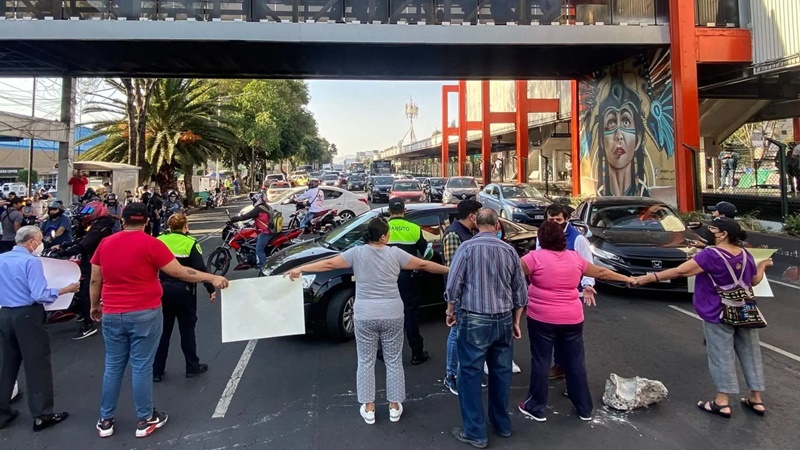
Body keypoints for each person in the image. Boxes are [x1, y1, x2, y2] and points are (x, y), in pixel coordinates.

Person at [285, 217, 448, 425]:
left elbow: (328, 264)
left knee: (365, 361)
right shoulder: (396, 254)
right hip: (392, 313)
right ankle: (394, 406)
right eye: (388, 233)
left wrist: (300, 269)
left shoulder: (356, 253)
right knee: (393, 360)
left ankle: (369, 408)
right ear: (383, 237)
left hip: (364, 314)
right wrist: (450, 270)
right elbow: (424, 264)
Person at [90, 202, 228, 439]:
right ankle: (145, 418)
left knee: (113, 366)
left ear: (122, 221)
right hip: (145, 312)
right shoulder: (152, 244)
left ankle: (105, 420)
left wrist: (94, 305)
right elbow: (180, 272)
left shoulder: (105, 243)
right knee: (141, 366)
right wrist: (212, 278)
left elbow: (95, 279)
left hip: (112, 312)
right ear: (146, 222)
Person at [634, 217, 772, 418]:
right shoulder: (745, 254)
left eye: (712, 229)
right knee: (751, 353)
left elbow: (681, 271)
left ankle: (722, 402)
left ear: (723, 234)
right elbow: (754, 280)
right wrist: (763, 266)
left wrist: (647, 278)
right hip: (746, 311)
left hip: (718, 311)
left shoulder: (710, 255)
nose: (708, 232)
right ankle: (756, 398)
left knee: (721, 355)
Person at [518, 221, 635, 423]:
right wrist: (628, 279)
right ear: (562, 238)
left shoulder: (533, 258)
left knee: (541, 361)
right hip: (572, 318)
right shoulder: (575, 258)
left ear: (541, 238)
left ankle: (535, 407)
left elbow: (510, 272)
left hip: (542, 318)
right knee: (575, 362)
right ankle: (584, 408)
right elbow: (601, 272)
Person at [445, 209, 527, 448]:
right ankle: (502, 424)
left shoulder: (467, 248)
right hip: (503, 318)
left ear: (476, 224)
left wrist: (450, 311)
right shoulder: (509, 251)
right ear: (497, 225)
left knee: (469, 374)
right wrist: (516, 321)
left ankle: (475, 431)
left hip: (474, 319)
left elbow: (453, 285)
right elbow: (520, 292)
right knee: (501, 373)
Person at [0, 226, 79, 432]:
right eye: (39, 240)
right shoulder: (31, 262)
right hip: (28, 315)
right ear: (31, 242)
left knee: (6, 364)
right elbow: (39, 294)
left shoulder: (1, 259)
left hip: (5, 313)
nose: (40, 244)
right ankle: (42, 414)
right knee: (37, 364)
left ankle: (2, 412)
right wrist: (66, 289)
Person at [154, 213, 215, 382]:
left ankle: (157, 371)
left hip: (162, 290)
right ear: (185, 227)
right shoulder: (191, 243)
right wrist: (210, 288)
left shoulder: (159, 240)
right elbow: (200, 269)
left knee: (163, 331)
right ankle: (192, 366)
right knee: (187, 330)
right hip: (185, 291)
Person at [537, 203, 595, 380]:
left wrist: (588, 285)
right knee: (554, 334)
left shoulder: (578, 239)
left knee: (570, 339)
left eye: (558, 220)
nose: (554, 223)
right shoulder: (542, 235)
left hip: (571, 295)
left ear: (567, 219)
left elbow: (588, 265)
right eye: (551, 219)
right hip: (548, 295)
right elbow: (538, 260)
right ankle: (560, 365)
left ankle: (573, 375)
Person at [53, 200, 115, 340]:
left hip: (97, 261)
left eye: (88, 211)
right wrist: (64, 245)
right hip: (93, 259)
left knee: (87, 291)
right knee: (84, 289)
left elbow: (85, 244)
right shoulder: (97, 225)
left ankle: (88, 324)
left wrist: (63, 252)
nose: (85, 214)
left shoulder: (101, 226)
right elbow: (83, 240)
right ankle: (83, 312)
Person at [442, 199, 483, 395]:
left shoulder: (470, 233)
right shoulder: (453, 235)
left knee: (468, 335)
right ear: (472, 216)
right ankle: (451, 375)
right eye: (479, 214)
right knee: (456, 333)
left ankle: (466, 373)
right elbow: (453, 270)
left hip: (471, 293)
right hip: (460, 295)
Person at [387, 198, 432, 365]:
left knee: (387, 314)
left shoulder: (382, 228)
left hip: (385, 278)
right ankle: (416, 353)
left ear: (389, 211)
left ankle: (384, 352)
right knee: (410, 314)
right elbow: (427, 253)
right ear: (404, 211)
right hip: (406, 277)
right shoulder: (414, 228)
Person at [228, 192, 275, 269]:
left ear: (258, 199)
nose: (253, 202)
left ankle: (263, 268)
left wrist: (233, 219)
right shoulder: (266, 206)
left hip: (267, 233)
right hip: (271, 230)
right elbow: (261, 219)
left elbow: (246, 216)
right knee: (253, 241)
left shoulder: (258, 209)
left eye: (254, 200)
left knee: (259, 250)